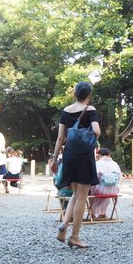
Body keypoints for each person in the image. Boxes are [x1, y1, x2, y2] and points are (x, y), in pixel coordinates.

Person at [50, 81, 101, 248]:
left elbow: (60, 138)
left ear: (75, 94)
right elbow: (97, 131)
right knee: (82, 196)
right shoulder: (90, 110)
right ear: (88, 96)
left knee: (74, 194)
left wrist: (54, 159)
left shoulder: (65, 111)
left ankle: (64, 224)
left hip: (69, 155)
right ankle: (75, 236)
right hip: (85, 156)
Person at [89, 148, 122, 218]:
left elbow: (94, 177)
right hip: (114, 190)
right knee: (107, 186)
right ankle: (103, 212)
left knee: (91, 189)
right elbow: (119, 177)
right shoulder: (115, 164)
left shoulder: (97, 164)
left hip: (100, 189)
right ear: (109, 155)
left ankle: (92, 212)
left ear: (99, 155)